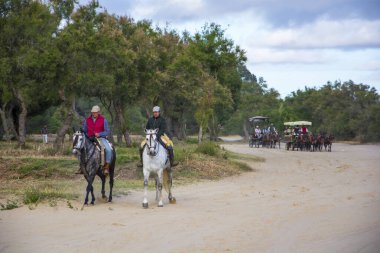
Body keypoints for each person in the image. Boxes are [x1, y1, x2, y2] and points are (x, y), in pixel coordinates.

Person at [80, 105, 113, 175]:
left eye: (95, 112)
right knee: (80, 148)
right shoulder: (87, 120)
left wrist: (100, 134)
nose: (94, 114)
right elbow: (85, 130)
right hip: (89, 138)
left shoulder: (103, 120)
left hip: (101, 138)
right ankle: (82, 166)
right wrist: (87, 134)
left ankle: (106, 166)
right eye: (93, 112)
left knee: (108, 150)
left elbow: (107, 131)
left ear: (98, 112)